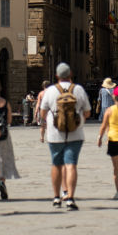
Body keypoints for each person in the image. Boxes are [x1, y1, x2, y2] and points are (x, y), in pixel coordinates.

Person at [39, 63, 91, 210]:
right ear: (71, 74)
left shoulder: (50, 91)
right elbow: (87, 113)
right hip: (76, 133)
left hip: (55, 133)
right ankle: (70, 198)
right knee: (71, 164)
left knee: (56, 164)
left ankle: (57, 197)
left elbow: (42, 114)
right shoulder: (78, 89)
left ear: (56, 76)